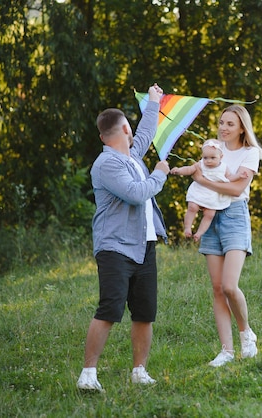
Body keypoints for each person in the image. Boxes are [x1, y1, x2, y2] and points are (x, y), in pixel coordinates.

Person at [76, 84, 171, 392]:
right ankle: (88, 374)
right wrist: (159, 173)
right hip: (115, 247)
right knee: (110, 308)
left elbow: (145, 134)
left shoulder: (131, 156)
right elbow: (135, 193)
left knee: (144, 312)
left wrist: (154, 102)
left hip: (144, 246)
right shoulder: (106, 164)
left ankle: (139, 371)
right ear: (124, 129)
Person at [173, 104, 262, 367]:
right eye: (221, 122)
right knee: (216, 289)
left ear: (241, 129)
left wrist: (203, 182)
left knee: (229, 286)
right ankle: (226, 350)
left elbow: (236, 190)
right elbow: (196, 170)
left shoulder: (250, 154)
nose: (223, 128)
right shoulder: (213, 149)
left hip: (235, 216)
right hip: (210, 217)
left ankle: (246, 334)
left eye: (230, 124)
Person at [170, 139, 247, 241]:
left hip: (212, 195)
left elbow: (228, 179)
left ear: (221, 157)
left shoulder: (224, 168)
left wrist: (238, 176)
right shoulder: (200, 164)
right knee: (192, 207)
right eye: (205, 158)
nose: (208, 161)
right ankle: (187, 228)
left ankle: (199, 233)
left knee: (210, 214)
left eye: (212, 158)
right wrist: (179, 171)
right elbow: (189, 169)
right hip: (199, 191)